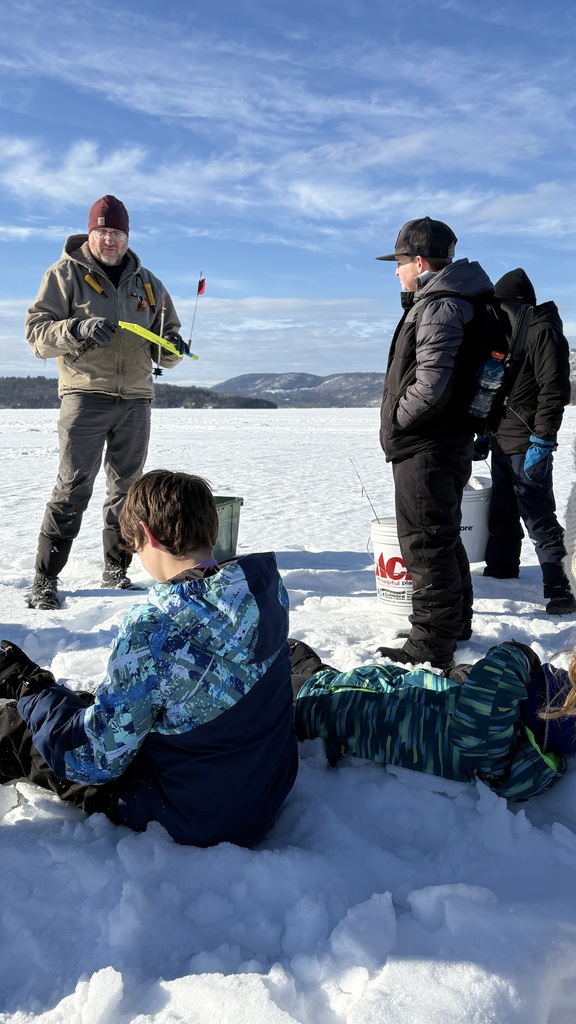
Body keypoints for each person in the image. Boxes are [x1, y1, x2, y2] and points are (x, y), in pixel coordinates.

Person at [0, 471, 298, 847]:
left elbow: (92, 758)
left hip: (193, 815)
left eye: (134, 544)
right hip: (264, 790)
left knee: (17, 731)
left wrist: (31, 685)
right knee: (96, 707)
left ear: (148, 535)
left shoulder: (156, 629)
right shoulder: (261, 591)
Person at [26, 195, 188, 610]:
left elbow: (166, 348)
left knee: (128, 490)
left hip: (135, 398)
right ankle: (45, 579)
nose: (109, 240)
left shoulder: (148, 283)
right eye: (102, 232)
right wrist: (77, 328)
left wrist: (172, 346)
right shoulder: (65, 275)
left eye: (116, 233)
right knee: (73, 486)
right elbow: (37, 335)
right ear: (90, 233)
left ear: (127, 235)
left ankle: (116, 570)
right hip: (85, 394)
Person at [376, 217, 494, 671]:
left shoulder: (440, 306)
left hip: (426, 445)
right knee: (441, 536)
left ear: (420, 261)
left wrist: (398, 424)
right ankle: (450, 624)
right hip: (441, 442)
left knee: (425, 544)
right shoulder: (444, 301)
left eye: (401, 262)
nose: (396, 271)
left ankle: (430, 644)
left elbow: (430, 385)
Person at [290, 637, 573, 801]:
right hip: (344, 685)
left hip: (320, 713)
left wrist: (521, 654)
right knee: (292, 648)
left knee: (266, 671)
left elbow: (497, 676)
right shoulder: (500, 734)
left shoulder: (493, 746)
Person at [475, 268, 575, 615]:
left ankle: (562, 585)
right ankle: (500, 574)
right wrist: (484, 432)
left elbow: (555, 390)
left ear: (515, 305)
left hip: (527, 441)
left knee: (537, 516)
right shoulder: (513, 334)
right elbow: (497, 389)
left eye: (499, 306)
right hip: (503, 439)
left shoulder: (543, 331)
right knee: (501, 514)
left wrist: (543, 439)